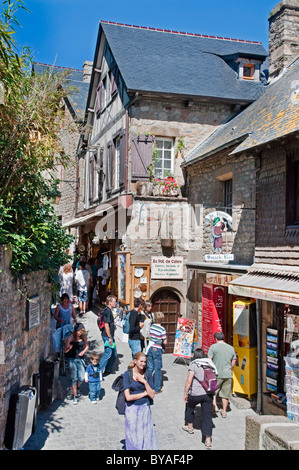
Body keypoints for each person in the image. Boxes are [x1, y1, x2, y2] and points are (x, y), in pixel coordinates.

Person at [183, 348, 217, 449]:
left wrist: (185, 393)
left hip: (195, 393)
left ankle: (190, 426)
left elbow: (189, 380)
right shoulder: (210, 363)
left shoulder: (194, 364)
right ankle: (208, 440)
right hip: (208, 393)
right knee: (207, 416)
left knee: (189, 406)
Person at [123, 352, 157, 450]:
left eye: (145, 362)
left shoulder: (148, 373)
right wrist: (144, 393)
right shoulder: (127, 374)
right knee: (132, 435)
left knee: (145, 434)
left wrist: (145, 382)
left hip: (145, 408)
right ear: (135, 361)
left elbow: (152, 394)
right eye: (141, 361)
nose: (143, 364)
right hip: (131, 408)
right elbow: (128, 397)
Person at [208, 331, 237, 417]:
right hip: (227, 374)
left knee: (213, 391)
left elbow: (209, 359)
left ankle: (214, 407)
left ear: (215, 339)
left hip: (215, 374)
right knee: (225, 394)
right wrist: (230, 369)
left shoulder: (213, 347)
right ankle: (224, 411)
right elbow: (234, 360)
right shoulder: (231, 348)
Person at [64, 322, 89, 404]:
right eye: (79, 332)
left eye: (82, 332)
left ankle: (76, 387)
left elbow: (87, 346)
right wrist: (69, 348)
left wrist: (83, 352)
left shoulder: (83, 337)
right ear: (76, 331)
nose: (81, 333)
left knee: (81, 377)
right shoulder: (70, 338)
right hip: (72, 359)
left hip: (80, 359)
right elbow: (65, 351)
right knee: (74, 378)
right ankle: (75, 395)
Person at [146, 311, 167, 394]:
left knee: (150, 368)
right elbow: (164, 341)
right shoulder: (162, 329)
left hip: (150, 347)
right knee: (157, 369)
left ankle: (149, 385)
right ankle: (157, 388)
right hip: (157, 348)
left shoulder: (152, 327)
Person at [99, 294, 117, 376]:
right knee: (108, 353)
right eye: (114, 301)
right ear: (110, 302)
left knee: (114, 354)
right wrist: (109, 337)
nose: (116, 303)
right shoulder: (107, 311)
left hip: (110, 336)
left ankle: (108, 369)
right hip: (107, 336)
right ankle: (98, 371)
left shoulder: (108, 311)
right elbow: (106, 325)